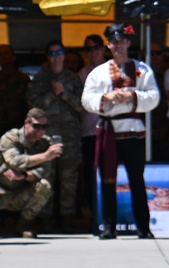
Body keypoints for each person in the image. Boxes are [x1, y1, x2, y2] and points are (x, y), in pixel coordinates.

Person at [81, 23, 161, 239]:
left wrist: (132, 96)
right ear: (108, 44)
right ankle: (109, 226)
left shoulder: (142, 69)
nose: (118, 45)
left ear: (128, 42)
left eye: (121, 41)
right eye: (113, 41)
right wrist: (105, 98)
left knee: (137, 179)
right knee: (108, 179)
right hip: (109, 130)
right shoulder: (98, 73)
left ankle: (143, 227)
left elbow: (154, 96)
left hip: (133, 130)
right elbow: (86, 99)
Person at [26, 39, 83, 230]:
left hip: (70, 137)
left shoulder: (73, 78)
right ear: (47, 57)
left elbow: (82, 105)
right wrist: (53, 93)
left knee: (69, 179)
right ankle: (44, 218)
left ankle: (67, 218)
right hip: (46, 137)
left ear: (64, 55)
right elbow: (33, 107)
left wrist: (63, 93)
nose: (56, 57)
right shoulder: (40, 79)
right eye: (52, 54)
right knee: (45, 178)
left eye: (59, 53)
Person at [0, 108, 62, 238]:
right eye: (36, 126)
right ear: (26, 123)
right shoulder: (10, 138)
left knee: (44, 186)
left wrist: (23, 176)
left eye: (44, 127)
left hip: (19, 193)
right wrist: (45, 156)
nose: (40, 130)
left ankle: (22, 226)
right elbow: (15, 161)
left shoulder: (45, 143)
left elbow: (44, 171)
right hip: (2, 189)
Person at [78, 34, 106, 219]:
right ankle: (96, 215)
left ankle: (109, 212)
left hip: (112, 130)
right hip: (88, 131)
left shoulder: (113, 69)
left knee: (110, 172)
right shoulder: (81, 74)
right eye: (89, 49)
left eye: (96, 47)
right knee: (90, 174)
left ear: (104, 49)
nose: (93, 52)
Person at [0, 44, 31, 136]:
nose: (3, 56)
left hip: (19, 125)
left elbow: (29, 102)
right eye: (0, 54)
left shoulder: (23, 79)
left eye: (6, 53)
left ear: (13, 57)